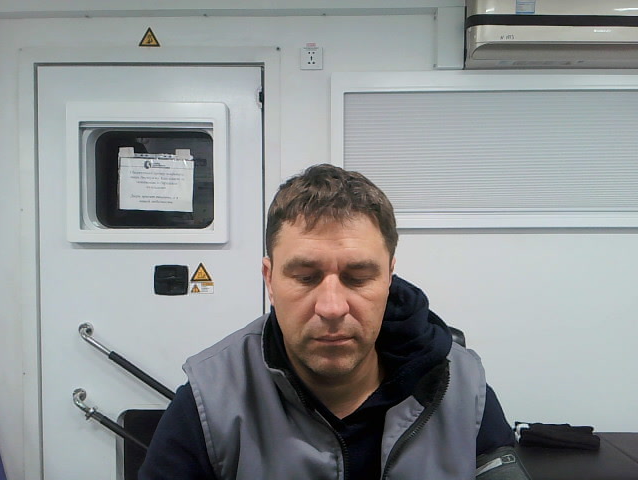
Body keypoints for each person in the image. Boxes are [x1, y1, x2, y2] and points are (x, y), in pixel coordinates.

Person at [139, 164, 530, 479]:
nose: (331, 307)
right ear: (269, 281)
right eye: (305, 277)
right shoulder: (209, 400)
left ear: (389, 278)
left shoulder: (463, 390)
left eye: (357, 278)